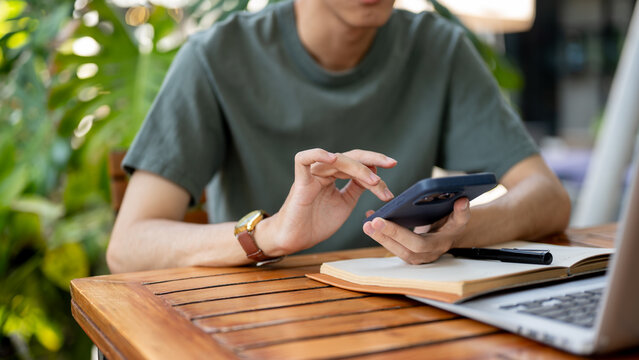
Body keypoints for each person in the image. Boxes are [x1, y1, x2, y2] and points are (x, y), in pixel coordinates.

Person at [106, 0, 571, 273]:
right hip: (261, 324)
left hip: (403, 319)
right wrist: (271, 234)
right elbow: (128, 246)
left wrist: (453, 233)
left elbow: (548, 196)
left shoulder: (438, 48)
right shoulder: (215, 58)